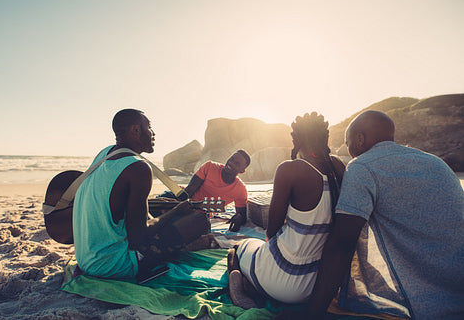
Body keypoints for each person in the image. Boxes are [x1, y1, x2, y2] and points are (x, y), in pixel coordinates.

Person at [277, 110, 464, 320]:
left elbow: (341, 244)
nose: (350, 150)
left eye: (348, 143)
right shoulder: (437, 163)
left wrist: (311, 315)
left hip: (430, 305)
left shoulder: (363, 166)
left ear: (359, 140)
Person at [72, 109, 211, 280]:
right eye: (149, 127)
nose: (153, 133)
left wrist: (156, 205)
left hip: (86, 259)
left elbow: (112, 201)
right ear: (136, 130)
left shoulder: (105, 153)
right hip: (113, 265)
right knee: (199, 220)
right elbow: (139, 237)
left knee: (160, 210)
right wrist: (177, 211)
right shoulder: (138, 168)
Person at [227, 112, 345, 308]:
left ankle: (239, 285)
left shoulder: (290, 169)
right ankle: (253, 281)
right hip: (323, 283)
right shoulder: (339, 167)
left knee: (240, 246)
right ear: (324, 137)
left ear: (296, 139)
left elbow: (271, 231)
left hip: (283, 282)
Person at [160, 150, 251, 232]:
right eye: (231, 159)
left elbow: (242, 215)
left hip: (199, 214)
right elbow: (189, 191)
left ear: (242, 171)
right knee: (155, 205)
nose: (231, 163)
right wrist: (179, 206)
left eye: (237, 163)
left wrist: (239, 218)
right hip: (181, 196)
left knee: (171, 225)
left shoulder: (240, 189)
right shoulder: (210, 166)